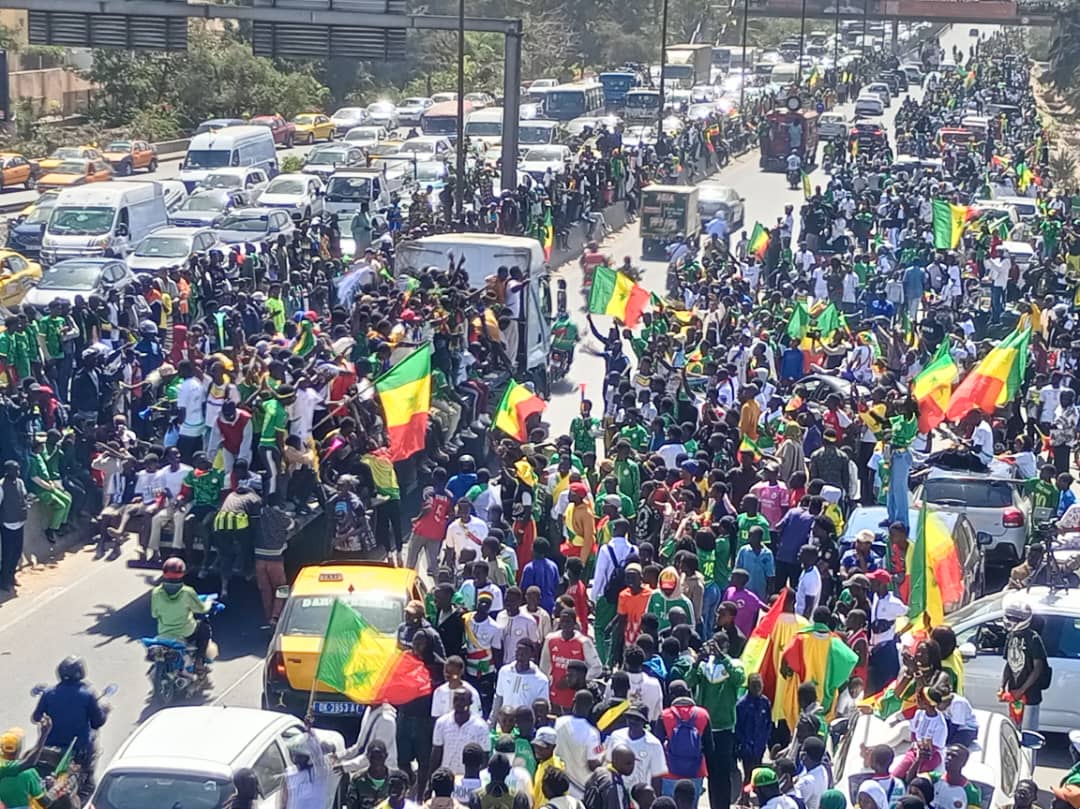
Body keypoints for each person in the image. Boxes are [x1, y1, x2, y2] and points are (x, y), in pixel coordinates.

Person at [149, 557, 213, 667]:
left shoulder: (156, 592)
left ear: (164, 573)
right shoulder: (187, 592)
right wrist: (209, 603)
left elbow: (154, 614)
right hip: (186, 632)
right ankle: (199, 661)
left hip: (164, 632)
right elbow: (201, 609)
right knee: (204, 629)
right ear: (182, 573)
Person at [1000, 602, 1049, 731]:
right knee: (1014, 729)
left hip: (1030, 695)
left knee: (1028, 732)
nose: (1010, 621)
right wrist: (1002, 686)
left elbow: (1038, 668)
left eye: (1014, 618)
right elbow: (1009, 664)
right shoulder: (1011, 636)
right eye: (1009, 617)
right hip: (1014, 693)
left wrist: (1022, 690)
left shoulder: (1033, 638)